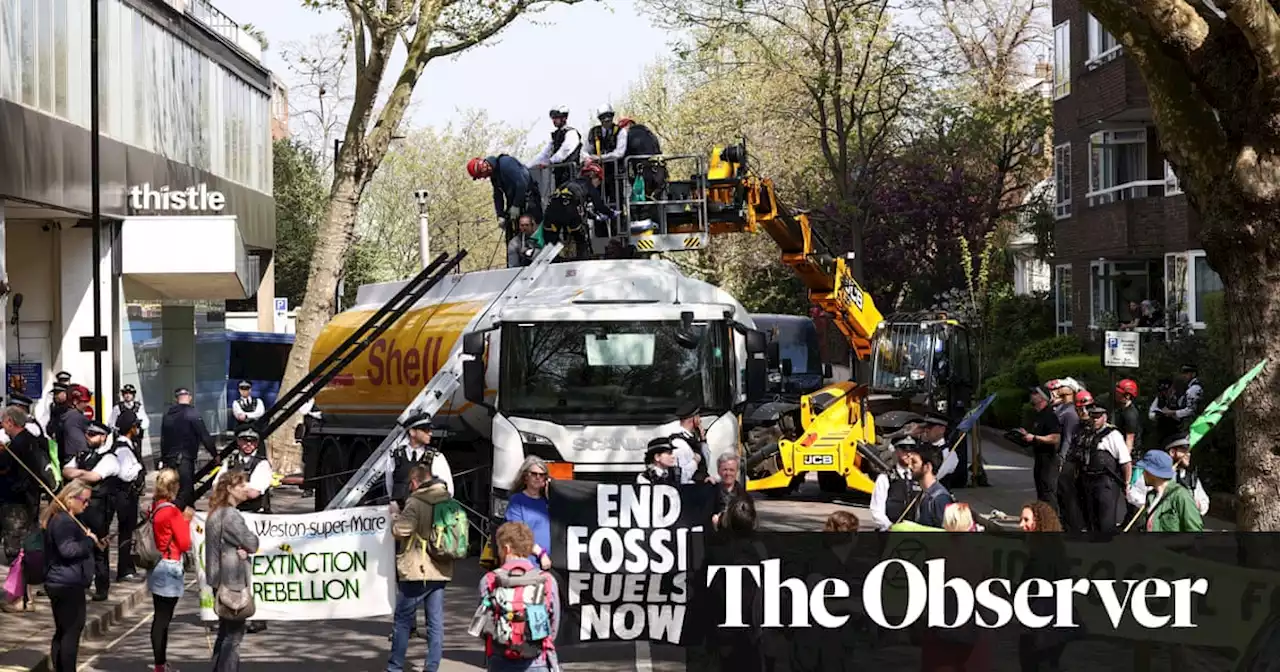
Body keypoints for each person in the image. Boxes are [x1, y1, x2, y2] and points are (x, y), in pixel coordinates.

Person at [387, 464, 455, 672]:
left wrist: (395, 515)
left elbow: (401, 531)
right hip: (440, 568)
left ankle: (395, 667)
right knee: (435, 623)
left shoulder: (415, 502)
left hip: (417, 569)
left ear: (415, 482)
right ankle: (432, 667)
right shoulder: (447, 500)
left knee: (402, 622)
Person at [214, 424, 275, 633]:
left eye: (252, 442)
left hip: (255, 519)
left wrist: (230, 491)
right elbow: (216, 486)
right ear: (238, 442)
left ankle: (258, 616)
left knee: (255, 572)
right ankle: (227, 611)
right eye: (244, 441)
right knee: (229, 569)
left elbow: (254, 492)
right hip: (232, 520)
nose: (248, 445)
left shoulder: (262, 464)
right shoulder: (230, 461)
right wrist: (235, 490)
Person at [478, 521, 561, 672]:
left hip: (500, 658)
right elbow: (553, 624)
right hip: (536, 659)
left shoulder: (489, 580)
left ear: (507, 548)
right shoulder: (547, 580)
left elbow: (484, 624)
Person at [205, 470, 261, 671]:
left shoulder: (216, 513)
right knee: (234, 638)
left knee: (225, 633)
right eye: (241, 485)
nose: (246, 489)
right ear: (229, 489)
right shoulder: (231, 516)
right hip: (233, 581)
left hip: (219, 580)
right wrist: (246, 547)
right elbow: (253, 543)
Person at [61, 419, 123, 600]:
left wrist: (78, 474)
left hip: (99, 508)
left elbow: (95, 476)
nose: (88, 437)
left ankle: (102, 587)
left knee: (98, 547)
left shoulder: (110, 457)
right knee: (77, 543)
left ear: (103, 437)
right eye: (88, 433)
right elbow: (66, 470)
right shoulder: (82, 454)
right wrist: (81, 474)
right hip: (78, 506)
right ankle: (82, 581)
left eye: (93, 434)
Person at [43, 480, 100, 672]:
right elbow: (68, 550)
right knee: (71, 632)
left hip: (63, 580)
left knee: (63, 630)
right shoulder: (63, 521)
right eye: (84, 501)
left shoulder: (65, 519)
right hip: (66, 583)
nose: (86, 504)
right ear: (70, 499)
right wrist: (88, 542)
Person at [0, 405, 46, 613]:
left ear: (10, 421)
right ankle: (26, 596)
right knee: (26, 547)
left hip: (16, 504)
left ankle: (18, 598)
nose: (2, 424)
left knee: (15, 550)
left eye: (3, 421)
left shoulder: (17, 446)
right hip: (29, 501)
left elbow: (8, 471)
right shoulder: (31, 440)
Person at [148, 468, 194, 672]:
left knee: (160, 616)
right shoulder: (172, 511)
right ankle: (160, 665)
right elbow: (184, 543)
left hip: (156, 564)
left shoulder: (155, 507)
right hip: (170, 564)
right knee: (163, 619)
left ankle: (161, 662)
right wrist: (187, 521)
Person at [160, 387, 217, 510]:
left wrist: (164, 459)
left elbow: (163, 440)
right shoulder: (191, 413)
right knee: (185, 490)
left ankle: (177, 514)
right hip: (184, 458)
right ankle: (175, 514)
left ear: (176, 399)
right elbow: (204, 435)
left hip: (170, 459)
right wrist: (215, 454)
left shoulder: (167, 415)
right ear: (190, 398)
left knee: (172, 489)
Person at [1127, 433, 1209, 516]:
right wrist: (1156, 504)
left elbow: (1204, 503)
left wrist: (1197, 506)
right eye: (1184, 450)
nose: (1188, 454)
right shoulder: (1154, 474)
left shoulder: (1192, 479)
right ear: (1172, 452)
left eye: (1189, 451)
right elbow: (1134, 495)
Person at [542, 162, 612, 259]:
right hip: (569, 211)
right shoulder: (589, 186)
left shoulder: (567, 183)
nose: (598, 184)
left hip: (551, 212)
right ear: (594, 177)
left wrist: (592, 215)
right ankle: (582, 263)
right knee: (581, 239)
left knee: (550, 243)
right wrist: (611, 213)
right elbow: (599, 207)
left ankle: (553, 261)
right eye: (599, 181)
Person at [1079, 405, 1132, 533]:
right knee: (1092, 518)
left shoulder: (1113, 435)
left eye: (1098, 417)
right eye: (1092, 416)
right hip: (1088, 480)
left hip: (1106, 481)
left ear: (1105, 417)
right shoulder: (1087, 434)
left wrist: (1127, 483)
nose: (1095, 419)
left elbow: (1125, 461)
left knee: (1106, 520)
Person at [386, 412, 453, 510]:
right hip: (402, 515)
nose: (430, 433)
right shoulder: (395, 456)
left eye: (430, 430)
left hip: (427, 515)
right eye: (425, 430)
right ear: (412, 432)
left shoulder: (436, 458)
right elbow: (391, 487)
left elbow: (448, 491)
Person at [467, 155, 543, 241]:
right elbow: (497, 195)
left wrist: (516, 205)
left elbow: (522, 184)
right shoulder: (495, 176)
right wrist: (500, 215)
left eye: (481, 176)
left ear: (483, 168)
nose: (484, 178)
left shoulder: (506, 164)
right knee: (512, 238)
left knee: (533, 237)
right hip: (516, 205)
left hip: (530, 202)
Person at [110, 410, 148, 582]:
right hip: (124, 498)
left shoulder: (128, 445)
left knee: (128, 532)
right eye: (136, 426)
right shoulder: (123, 449)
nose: (138, 429)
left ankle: (128, 567)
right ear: (130, 428)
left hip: (128, 497)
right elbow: (125, 473)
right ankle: (124, 570)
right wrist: (138, 469)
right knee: (125, 532)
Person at [1134, 450, 1203, 532]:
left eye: (1145, 470)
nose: (1143, 474)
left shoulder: (1181, 496)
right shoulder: (1151, 496)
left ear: (1152, 472)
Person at [504, 456, 553, 569]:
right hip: (526, 562)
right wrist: (540, 553)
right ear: (525, 477)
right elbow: (517, 535)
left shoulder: (547, 501)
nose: (538, 478)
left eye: (542, 475)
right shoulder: (517, 501)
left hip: (549, 564)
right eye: (534, 474)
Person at [1019, 386, 1062, 505]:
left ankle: (1052, 520)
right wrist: (1026, 435)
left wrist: (1035, 438)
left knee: (1048, 493)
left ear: (1043, 398)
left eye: (1035, 393)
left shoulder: (1050, 415)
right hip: (1039, 460)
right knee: (1041, 493)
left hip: (1049, 461)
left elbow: (1056, 438)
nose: (1032, 395)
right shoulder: (1038, 415)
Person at [869, 434, 921, 530]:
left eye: (911, 450)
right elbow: (876, 510)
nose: (908, 454)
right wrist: (890, 526)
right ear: (896, 451)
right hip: (890, 531)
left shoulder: (917, 477)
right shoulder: (885, 478)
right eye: (904, 450)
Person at [530, 106, 582, 188]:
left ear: (564, 118)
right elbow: (544, 154)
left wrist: (549, 162)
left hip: (571, 174)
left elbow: (564, 151)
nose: (554, 120)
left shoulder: (571, 133)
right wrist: (528, 166)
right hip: (559, 174)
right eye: (553, 118)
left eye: (556, 117)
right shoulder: (555, 135)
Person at [907, 443, 954, 528]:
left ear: (927, 467)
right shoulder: (922, 493)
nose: (910, 466)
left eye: (914, 462)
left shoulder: (940, 498)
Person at [669, 401, 711, 485]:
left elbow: (706, 462)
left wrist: (703, 440)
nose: (700, 420)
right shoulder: (679, 443)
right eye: (698, 416)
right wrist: (695, 462)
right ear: (693, 418)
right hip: (689, 490)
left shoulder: (692, 439)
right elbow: (682, 476)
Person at [107, 384, 149, 460]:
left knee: (137, 458)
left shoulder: (138, 407)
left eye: (130, 393)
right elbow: (111, 423)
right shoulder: (118, 408)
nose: (128, 395)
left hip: (135, 437)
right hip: (122, 437)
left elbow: (145, 422)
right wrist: (118, 429)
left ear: (133, 395)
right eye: (126, 393)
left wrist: (139, 426)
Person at [57, 384, 93, 466]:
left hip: (67, 458)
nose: (86, 405)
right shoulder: (78, 417)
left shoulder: (65, 415)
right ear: (75, 402)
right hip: (77, 459)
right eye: (84, 402)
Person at [710, 453, 748, 529]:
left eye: (732, 470)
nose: (728, 473)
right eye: (725, 470)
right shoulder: (711, 491)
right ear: (718, 471)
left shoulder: (744, 495)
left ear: (737, 471)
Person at [1147, 378, 1182, 446]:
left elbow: (1184, 414)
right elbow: (1150, 414)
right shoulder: (1159, 398)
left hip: (1176, 430)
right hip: (1162, 430)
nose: (1164, 393)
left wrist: (1171, 414)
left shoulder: (1179, 397)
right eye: (1162, 391)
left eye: (1166, 391)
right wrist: (1157, 415)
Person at [1113, 379, 1142, 455]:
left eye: (1119, 393)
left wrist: (1125, 459)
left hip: (1129, 453)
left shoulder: (1130, 414)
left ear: (1128, 396)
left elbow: (1129, 439)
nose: (1116, 394)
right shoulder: (1121, 409)